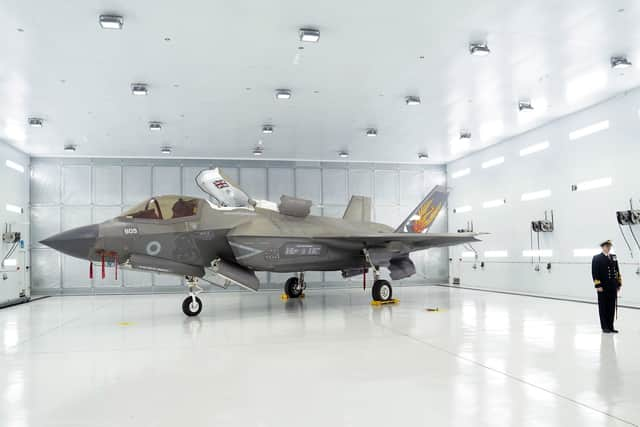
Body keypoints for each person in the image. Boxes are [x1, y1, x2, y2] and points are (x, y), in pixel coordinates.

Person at [591, 240, 622, 333]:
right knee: (603, 307)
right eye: (606, 246)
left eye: (609, 246)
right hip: (603, 287)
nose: (608, 248)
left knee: (611, 307)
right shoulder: (597, 258)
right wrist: (598, 285)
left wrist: (618, 283)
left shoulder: (614, 257)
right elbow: (595, 272)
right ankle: (605, 327)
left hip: (612, 286)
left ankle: (611, 326)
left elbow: (617, 271)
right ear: (602, 247)